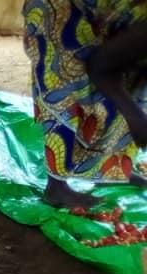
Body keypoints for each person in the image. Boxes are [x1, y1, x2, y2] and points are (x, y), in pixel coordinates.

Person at [24, 0, 147, 208]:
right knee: (65, 83)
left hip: (110, 16)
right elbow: (100, 66)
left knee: (132, 83)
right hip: (63, 9)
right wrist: (134, 115)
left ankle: (107, 168)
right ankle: (56, 188)